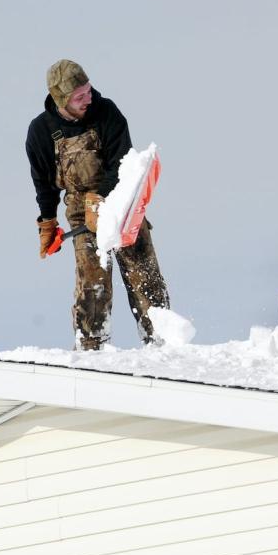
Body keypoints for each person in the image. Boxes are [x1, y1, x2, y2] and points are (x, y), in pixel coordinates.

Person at [26, 59, 169, 350]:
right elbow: (43, 181)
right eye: (79, 97)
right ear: (61, 99)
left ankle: (163, 342)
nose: (88, 99)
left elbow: (123, 160)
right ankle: (92, 351)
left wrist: (101, 198)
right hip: (80, 211)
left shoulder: (107, 111)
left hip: (122, 201)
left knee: (145, 277)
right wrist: (48, 221)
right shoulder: (41, 131)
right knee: (93, 286)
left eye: (88, 90)